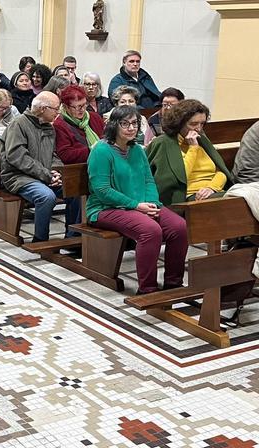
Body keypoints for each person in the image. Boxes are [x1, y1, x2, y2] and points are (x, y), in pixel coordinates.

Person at [86, 105, 187, 294]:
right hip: (105, 208)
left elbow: (149, 179)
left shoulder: (138, 150)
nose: (131, 128)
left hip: (139, 205)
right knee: (150, 230)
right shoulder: (101, 150)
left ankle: (174, 283)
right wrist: (136, 205)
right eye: (125, 124)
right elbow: (102, 190)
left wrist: (153, 204)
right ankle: (147, 288)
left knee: (179, 227)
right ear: (114, 125)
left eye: (135, 123)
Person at [0, 91, 80, 242]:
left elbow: (53, 155)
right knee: (46, 197)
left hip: (43, 175)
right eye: (56, 109)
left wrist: (57, 172)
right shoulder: (19, 124)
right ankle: (40, 239)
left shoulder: (49, 127)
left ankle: (73, 237)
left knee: (75, 189)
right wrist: (46, 175)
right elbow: (18, 157)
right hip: (18, 177)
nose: (58, 112)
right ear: (43, 109)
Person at [147, 99, 233, 205]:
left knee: (248, 193)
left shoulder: (202, 139)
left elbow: (220, 171)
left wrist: (212, 187)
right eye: (193, 124)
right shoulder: (164, 143)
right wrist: (193, 149)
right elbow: (177, 178)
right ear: (179, 123)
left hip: (212, 192)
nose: (198, 128)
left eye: (202, 123)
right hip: (187, 196)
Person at [53, 85, 104, 164]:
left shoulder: (94, 117)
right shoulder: (59, 125)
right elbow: (65, 155)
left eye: (84, 104)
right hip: (79, 170)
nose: (82, 110)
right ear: (66, 107)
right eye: (78, 107)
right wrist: (92, 149)